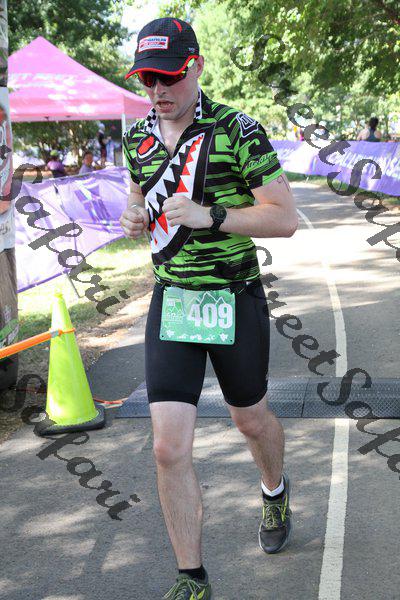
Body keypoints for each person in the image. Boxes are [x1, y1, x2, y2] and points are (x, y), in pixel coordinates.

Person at [120, 17, 298, 600]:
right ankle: (192, 579)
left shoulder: (237, 130)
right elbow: (138, 197)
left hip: (233, 297)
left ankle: (274, 491)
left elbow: (285, 218)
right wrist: (133, 216)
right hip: (173, 301)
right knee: (167, 446)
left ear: (196, 66)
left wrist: (212, 215)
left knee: (250, 420)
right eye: (147, 79)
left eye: (169, 76)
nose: (157, 90)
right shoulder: (138, 137)